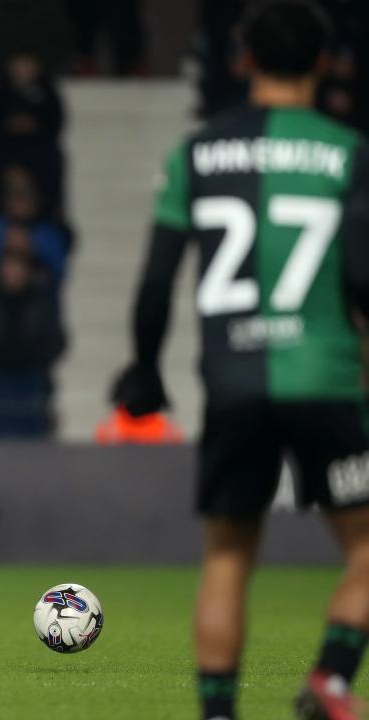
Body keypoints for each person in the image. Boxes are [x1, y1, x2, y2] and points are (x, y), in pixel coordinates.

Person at [111, 3, 369, 718]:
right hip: (324, 378)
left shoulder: (196, 154)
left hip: (230, 384)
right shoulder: (347, 153)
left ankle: (219, 713)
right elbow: (362, 274)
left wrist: (145, 371)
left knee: (227, 559)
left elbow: (157, 281)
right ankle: (332, 679)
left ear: (243, 59)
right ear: (324, 62)